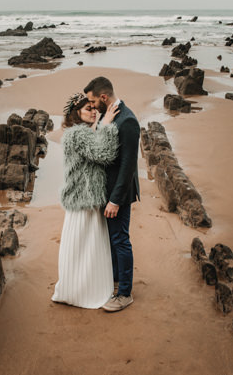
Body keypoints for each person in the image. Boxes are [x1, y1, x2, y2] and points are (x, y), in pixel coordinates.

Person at [51, 93, 121, 309]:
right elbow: (105, 153)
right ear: (77, 113)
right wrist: (107, 124)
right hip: (84, 198)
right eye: (88, 109)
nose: (94, 111)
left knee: (84, 244)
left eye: (94, 108)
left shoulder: (80, 132)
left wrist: (99, 127)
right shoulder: (78, 134)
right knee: (84, 245)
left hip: (84, 197)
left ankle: (82, 286)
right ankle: (80, 291)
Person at [84, 76, 140, 312]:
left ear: (104, 97)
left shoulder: (127, 121)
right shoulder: (112, 117)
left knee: (120, 240)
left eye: (94, 101)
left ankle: (125, 293)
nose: (93, 106)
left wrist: (115, 200)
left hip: (119, 195)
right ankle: (116, 280)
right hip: (109, 193)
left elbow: (128, 166)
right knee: (112, 240)